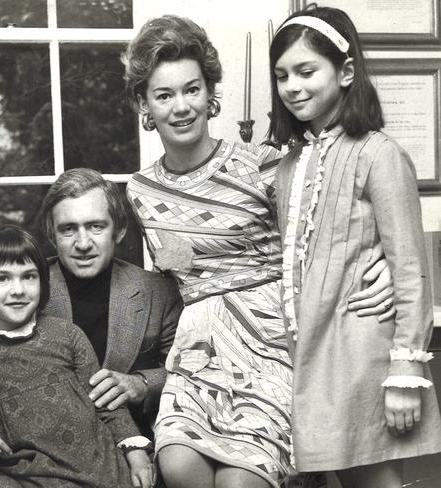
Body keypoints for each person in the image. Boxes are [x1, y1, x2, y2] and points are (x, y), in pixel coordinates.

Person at [123, 15, 397, 488]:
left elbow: (341, 232)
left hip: (273, 342)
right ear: (144, 104)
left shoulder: (267, 165)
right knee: (179, 467)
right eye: (164, 95)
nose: (181, 106)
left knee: (240, 482)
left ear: (211, 93)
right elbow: (168, 277)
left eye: (192, 89)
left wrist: (384, 265)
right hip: (199, 350)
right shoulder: (139, 190)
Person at [269, 6, 441, 487]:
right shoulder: (288, 166)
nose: (293, 86)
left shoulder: (379, 153)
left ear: (345, 72)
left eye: (306, 71)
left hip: (367, 354)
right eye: (282, 75)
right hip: (316, 354)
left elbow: (409, 269)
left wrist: (405, 374)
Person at [0, 224, 154, 487]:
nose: (18, 290)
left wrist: (135, 453)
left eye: (28, 276)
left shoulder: (66, 334)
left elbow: (107, 403)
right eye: (2, 278)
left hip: (100, 469)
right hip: (28, 476)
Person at [39, 167, 183, 436]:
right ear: (52, 236)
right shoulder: (28, 292)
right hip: (50, 439)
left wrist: (142, 383)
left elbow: (184, 370)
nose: (83, 243)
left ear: (118, 231)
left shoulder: (158, 292)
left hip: (135, 441)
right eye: (68, 229)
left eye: (96, 226)